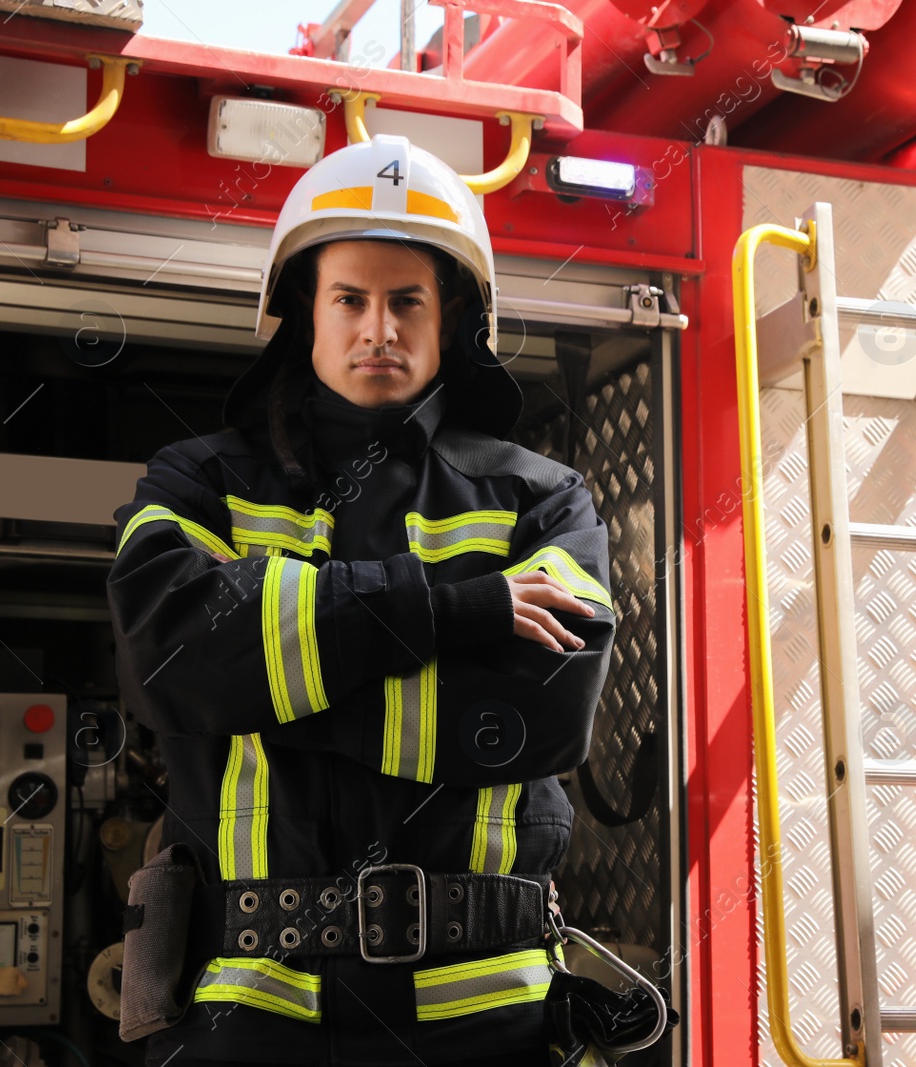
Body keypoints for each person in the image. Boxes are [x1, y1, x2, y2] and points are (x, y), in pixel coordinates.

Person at [106, 135, 616, 1067]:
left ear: (453, 312)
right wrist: (452, 615)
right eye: (350, 298)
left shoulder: (542, 499)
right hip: (243, 1015)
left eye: (406, 300)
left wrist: (263, 687)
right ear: (305, 309)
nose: (378, 327)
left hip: (487, 1018)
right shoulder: (199, 483)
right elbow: (166, 658)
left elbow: (539, 714)